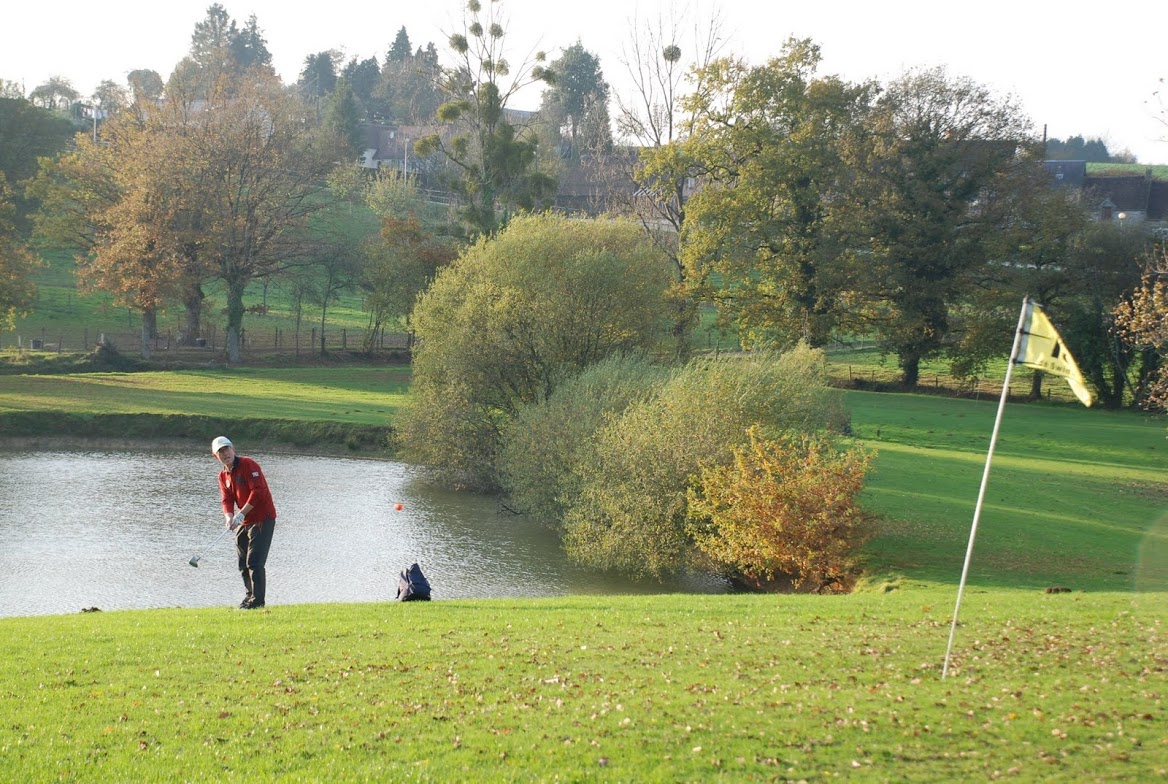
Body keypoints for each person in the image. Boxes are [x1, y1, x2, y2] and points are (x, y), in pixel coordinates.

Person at [212, 436, 277, 610]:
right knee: (242, 563)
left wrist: (241, 514)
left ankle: (258, 601)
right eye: (220, 451)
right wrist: (229, 517)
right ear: (215, 456)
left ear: (233, 449)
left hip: (263, 518)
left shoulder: (248, 465)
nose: (225, 454)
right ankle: (249, 596)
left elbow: (258, 492)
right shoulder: (223, 476)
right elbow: (227, 499)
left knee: (254, 562)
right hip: (244, 520)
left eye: (227, 449)